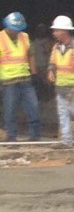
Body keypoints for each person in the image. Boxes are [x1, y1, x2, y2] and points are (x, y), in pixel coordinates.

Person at [47, 15, 74, 149]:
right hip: (60, 87)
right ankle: (66, 140)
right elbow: (52, 62)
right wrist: (50, 70)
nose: (54, 33)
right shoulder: (56, 47)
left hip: (73, 87)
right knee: (63, 113)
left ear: (64, 31)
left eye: (56, 30)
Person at [0, 12, 41, 142]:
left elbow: (31, 55)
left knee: (33, 107)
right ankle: (11, 136)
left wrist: (34, 73)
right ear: (7, 25)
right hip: (8, 81)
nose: (16, 32)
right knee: (10, 110)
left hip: (26, 80)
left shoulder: (24, 36)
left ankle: (35, 136)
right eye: (14, 29)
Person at [31, 23, 55, 101]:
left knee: (48, 83)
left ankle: (49, 97)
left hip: (47, 65)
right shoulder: (33, 42)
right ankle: (40, 97)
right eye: (40, 30)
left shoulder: (50, 42)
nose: (41, 32)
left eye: (43, 30)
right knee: (38, 83)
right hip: (37, 65)